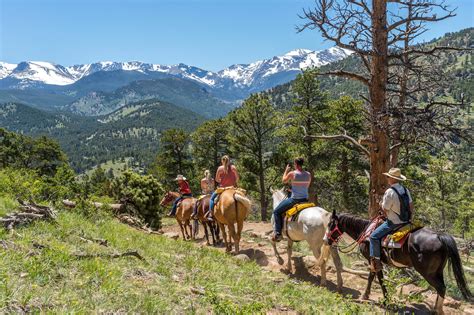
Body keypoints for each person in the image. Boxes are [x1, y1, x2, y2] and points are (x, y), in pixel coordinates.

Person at [369, 168, 413, 272]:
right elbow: (411, 206)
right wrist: (409, 218)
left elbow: (385, 209)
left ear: (392, 179)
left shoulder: (389, 192)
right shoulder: (405, 190)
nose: (387, 178)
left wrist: (383, 211)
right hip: (406, 222)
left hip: (393, 223)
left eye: (388, 177)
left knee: (373, 237)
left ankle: (376, 262)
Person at [272, 157, 311, 242]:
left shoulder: (292, 173)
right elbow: (306, 186)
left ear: (296, 164)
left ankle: (278, 233)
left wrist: (286, 170)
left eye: (294, 164)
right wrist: (294, 189)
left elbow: (284, 181)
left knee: (276, 212)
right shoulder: (308, 174)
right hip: (305, 199)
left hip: (295, 200)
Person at [208, 155, 239, 220]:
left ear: (222, 161)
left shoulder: (220, 168)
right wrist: (233, 181)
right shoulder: (233, 167)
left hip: (223, 188)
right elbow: (237, 178)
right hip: (232, 188)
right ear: (229, 160)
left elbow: (216, 179)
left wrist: (221, 180)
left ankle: (210, 213)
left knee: (212, 199)